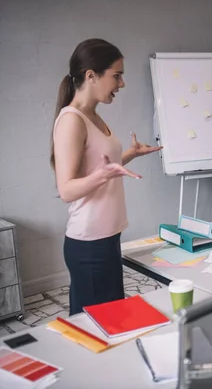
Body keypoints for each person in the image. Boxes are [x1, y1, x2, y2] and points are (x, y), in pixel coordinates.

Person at [51, 38, 162, 315]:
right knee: (95, 331)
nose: (121, 84)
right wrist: (102, 175)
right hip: (88, 245)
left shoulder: (93, 116)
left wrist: (130, 155)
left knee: (113, 322)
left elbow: (100, 168)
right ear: (91, 76)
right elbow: (66, 190)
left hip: (107, 238)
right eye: (116, 76)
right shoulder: (71, 120)